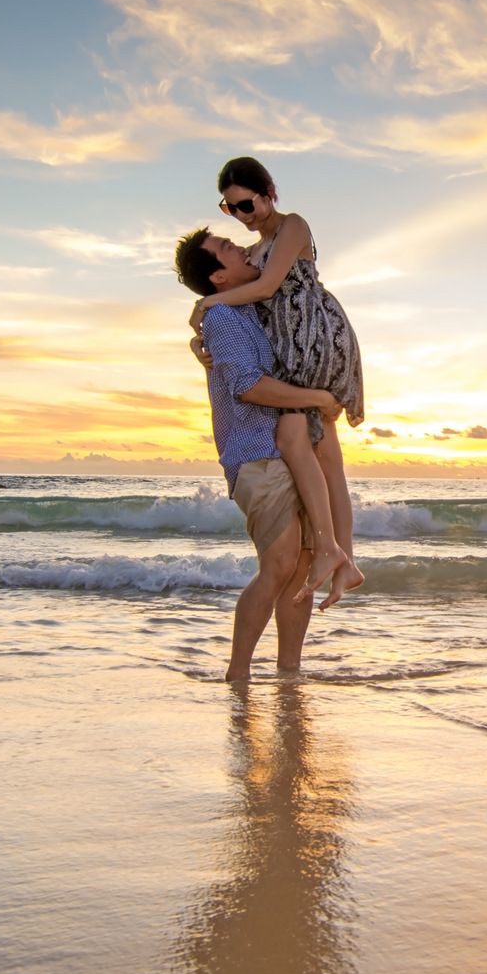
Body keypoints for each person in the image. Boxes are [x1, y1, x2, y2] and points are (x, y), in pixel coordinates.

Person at [186, 157, 365, 606]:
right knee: (327, 457)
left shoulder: (292, 227)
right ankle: (345, 562)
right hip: (293, 345)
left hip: (312, 337)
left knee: (292, 435)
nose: (243, 216)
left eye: (247, 204)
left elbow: (267, 289)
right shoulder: (258, 245)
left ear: (269, 192)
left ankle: (328, 549)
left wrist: (207, 305)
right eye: (232, 210)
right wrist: (206, 332)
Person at [179, 230, 344, 681]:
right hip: (254, 453)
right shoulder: (224, 321)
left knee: (303, 564)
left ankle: (289, 673)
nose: (239, 246)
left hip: (292, 449)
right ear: (218, 276)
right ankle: (238, 674)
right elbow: (248, 386)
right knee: (279, 563)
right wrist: (315, 398)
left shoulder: (252, 307)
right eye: (227, 249)